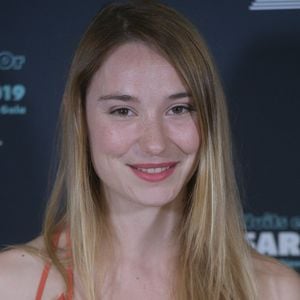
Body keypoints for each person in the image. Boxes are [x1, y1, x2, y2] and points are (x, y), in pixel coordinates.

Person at [0, 1, 299, 299]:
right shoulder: (12, 285)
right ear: (80, 117)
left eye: (179, 108)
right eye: (123, 111)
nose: (155, 143)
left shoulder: (277, 291)